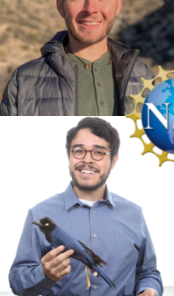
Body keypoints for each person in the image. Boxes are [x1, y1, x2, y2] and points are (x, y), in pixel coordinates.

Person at [9, 117, 163, 296]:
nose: (87, 160)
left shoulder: (134, 214)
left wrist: (149, 290)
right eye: (79, 151)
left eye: (98, 152)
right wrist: (43, 274)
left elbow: (148, 272)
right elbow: (17, 282)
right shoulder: (39, 213)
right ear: (69, 156)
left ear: (113, 161)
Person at [0, 0, 153, 116]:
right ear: (60, 6)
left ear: (118, 4)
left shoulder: (144, 77)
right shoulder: (22, 81)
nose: (90, 9)